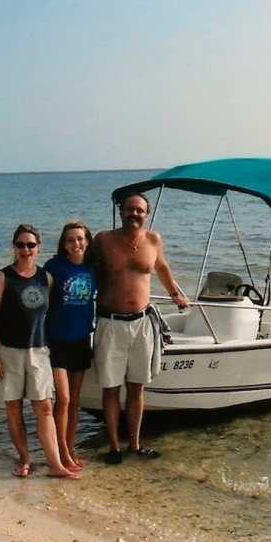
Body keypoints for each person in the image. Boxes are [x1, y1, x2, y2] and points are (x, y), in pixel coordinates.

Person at [93, 193, 189, 465]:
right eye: (130, 209)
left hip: (143, 323)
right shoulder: (103, 240)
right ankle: (114, 447)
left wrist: (175, 294)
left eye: (140, 210)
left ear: (146, 214)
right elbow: (84, 268)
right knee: (110, 388)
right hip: (110, 323)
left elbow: (161, 267)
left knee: (137, 387)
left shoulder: (153, 240)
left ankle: (134, 444)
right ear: (120, 211)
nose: (134, 214)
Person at [0, 224, 78, 479]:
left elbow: (55, 313)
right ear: (14, 247)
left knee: (44, 407)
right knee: (13, 408)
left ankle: (55, 465)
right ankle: (25, 459)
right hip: (9, 352)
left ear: (38, 248)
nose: (26, 250)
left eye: (31, 245)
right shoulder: (3, 277)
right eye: (21, 245)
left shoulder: (45, 278)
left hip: (39, 352)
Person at [44, 220, 96, 471]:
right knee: (62, 399)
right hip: (57, 341)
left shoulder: (92, 268)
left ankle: (69, 447)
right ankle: (62, 452)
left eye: (80, 238)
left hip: (82, 339)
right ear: (63, 244)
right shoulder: (54, 267)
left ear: (87, 241)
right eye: (70, 239)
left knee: (75, 400)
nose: (76, 243)